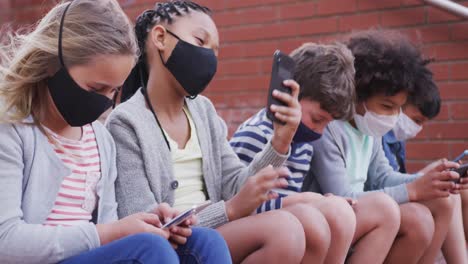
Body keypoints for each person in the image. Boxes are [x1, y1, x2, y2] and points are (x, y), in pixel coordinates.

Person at [0, 1, 230, 263]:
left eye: (113, 91)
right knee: (149, 250)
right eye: (96, 88)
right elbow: (5, 241)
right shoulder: (12, 130)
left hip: (89, 255)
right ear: (54, 63)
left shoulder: (100, 139)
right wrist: (110, 233)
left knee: (204, 240)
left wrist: (152, 221)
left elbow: (109, 226)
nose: (105, 103)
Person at [107, 1, 313, 263]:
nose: (210, 58)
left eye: (215, 51)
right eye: (201, 41)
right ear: (160, 37)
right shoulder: (126, 122)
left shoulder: (203, 111)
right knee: (285, 231)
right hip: (170, 247)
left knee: (306, 222)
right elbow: (144, 225)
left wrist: (281, 139)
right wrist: (229, 210)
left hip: (216, 230)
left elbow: (234, 185)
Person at [231, 42, 404, 264]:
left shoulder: (304, 142)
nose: (319, 132)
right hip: (261, 233)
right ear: (290, 92)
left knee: (362, 209)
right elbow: (236, 203)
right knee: (333, 213)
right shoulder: (257, 133)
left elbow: (290, 197)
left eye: (327, 124)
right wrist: (305, 201)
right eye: (317, 119)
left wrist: (312, 201)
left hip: (296, 225)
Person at [305, 29, 466, 264]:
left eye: (399, 108)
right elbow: (342, 196)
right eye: (386, 106)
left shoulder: (370, 130)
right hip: (334, 219)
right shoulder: (329, 128)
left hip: (364, 214)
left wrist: (429, 180)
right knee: (408, 217)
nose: (393, 116)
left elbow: (382, 176)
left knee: (441, 201)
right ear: (357, 95)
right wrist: (412, 190)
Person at [383, 66, 468, 264]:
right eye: (416, 120)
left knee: (452, 190)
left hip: (395, 192)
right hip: (381, 198)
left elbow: (391, 176)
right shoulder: (377, 131)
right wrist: (428, 179)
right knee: (445, 198)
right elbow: (378, 184)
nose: (417, 129)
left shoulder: (396, 138)